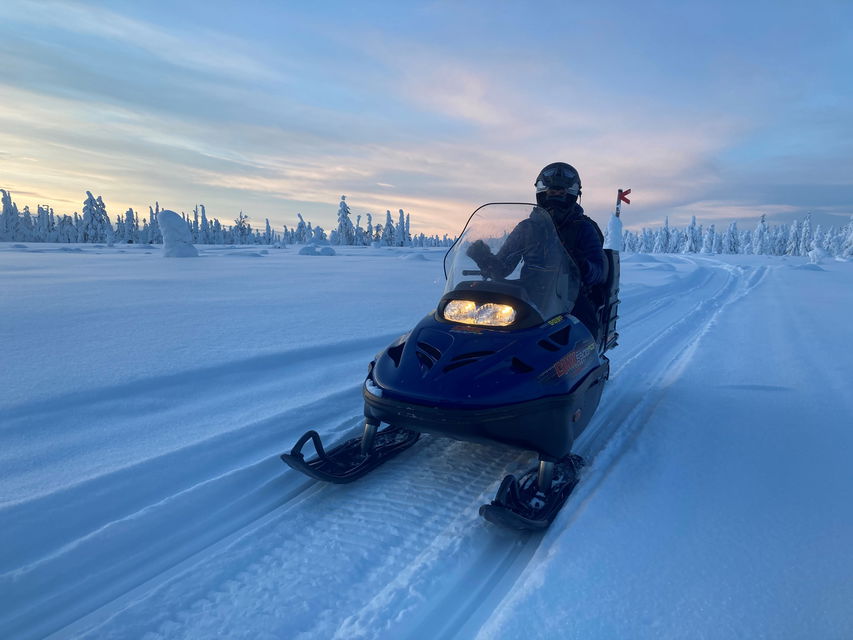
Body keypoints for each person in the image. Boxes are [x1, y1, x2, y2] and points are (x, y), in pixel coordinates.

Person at [466, 162, 606, 337]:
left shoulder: (584, 228)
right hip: (528, 291)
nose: (555, 197)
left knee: (584, 334)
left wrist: (583, 265)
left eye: (560, 193)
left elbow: (600, 272)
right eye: (551, 192)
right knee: (484, 318)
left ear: (571, 195)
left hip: (570, 295)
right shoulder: (527, 228)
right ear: (542, 194)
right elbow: (502, 269)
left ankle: (590, 359)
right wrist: (484, 258)